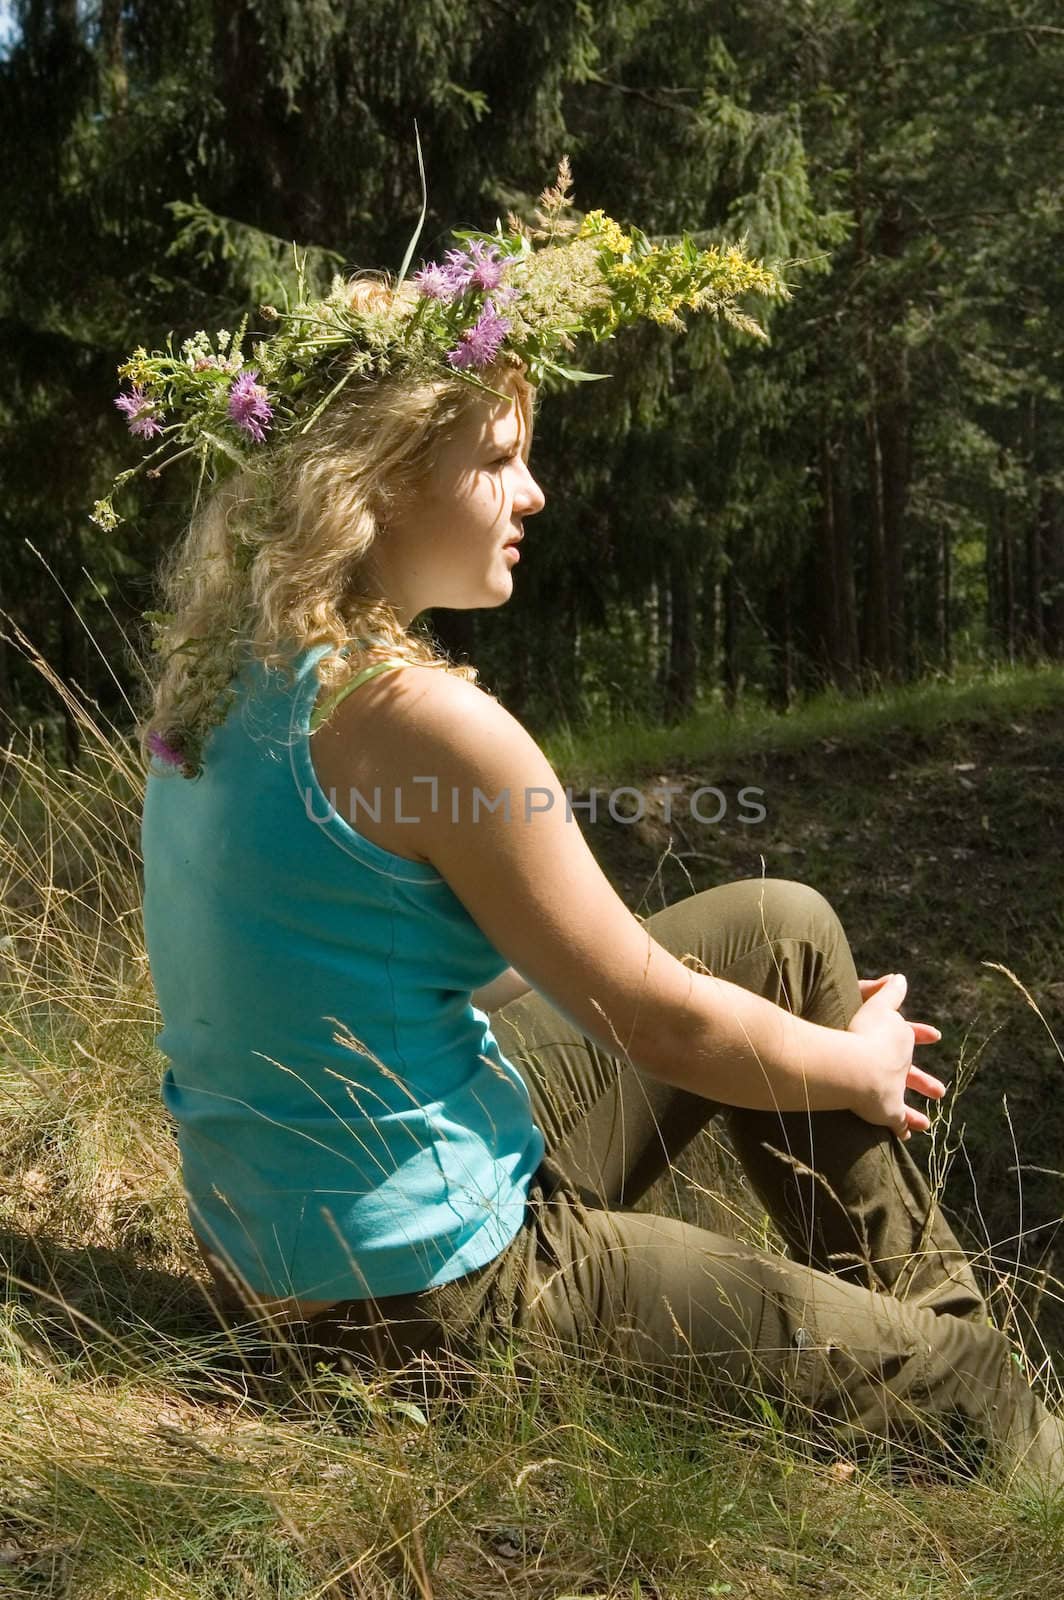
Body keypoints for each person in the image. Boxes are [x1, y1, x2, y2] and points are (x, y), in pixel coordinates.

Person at [116, 166, 1063, 1492]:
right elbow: (657, 1023)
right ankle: (981, 1415)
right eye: (500, 460)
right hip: (439, 1300)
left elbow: (443, 950)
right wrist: (847, 1069)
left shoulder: (223, 677)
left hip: (284, 1247)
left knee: (779, 931)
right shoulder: (432, 724)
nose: (536, 493)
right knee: (955, 1369)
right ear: (378, 480)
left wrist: (762, 1022)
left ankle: (946, 1393)